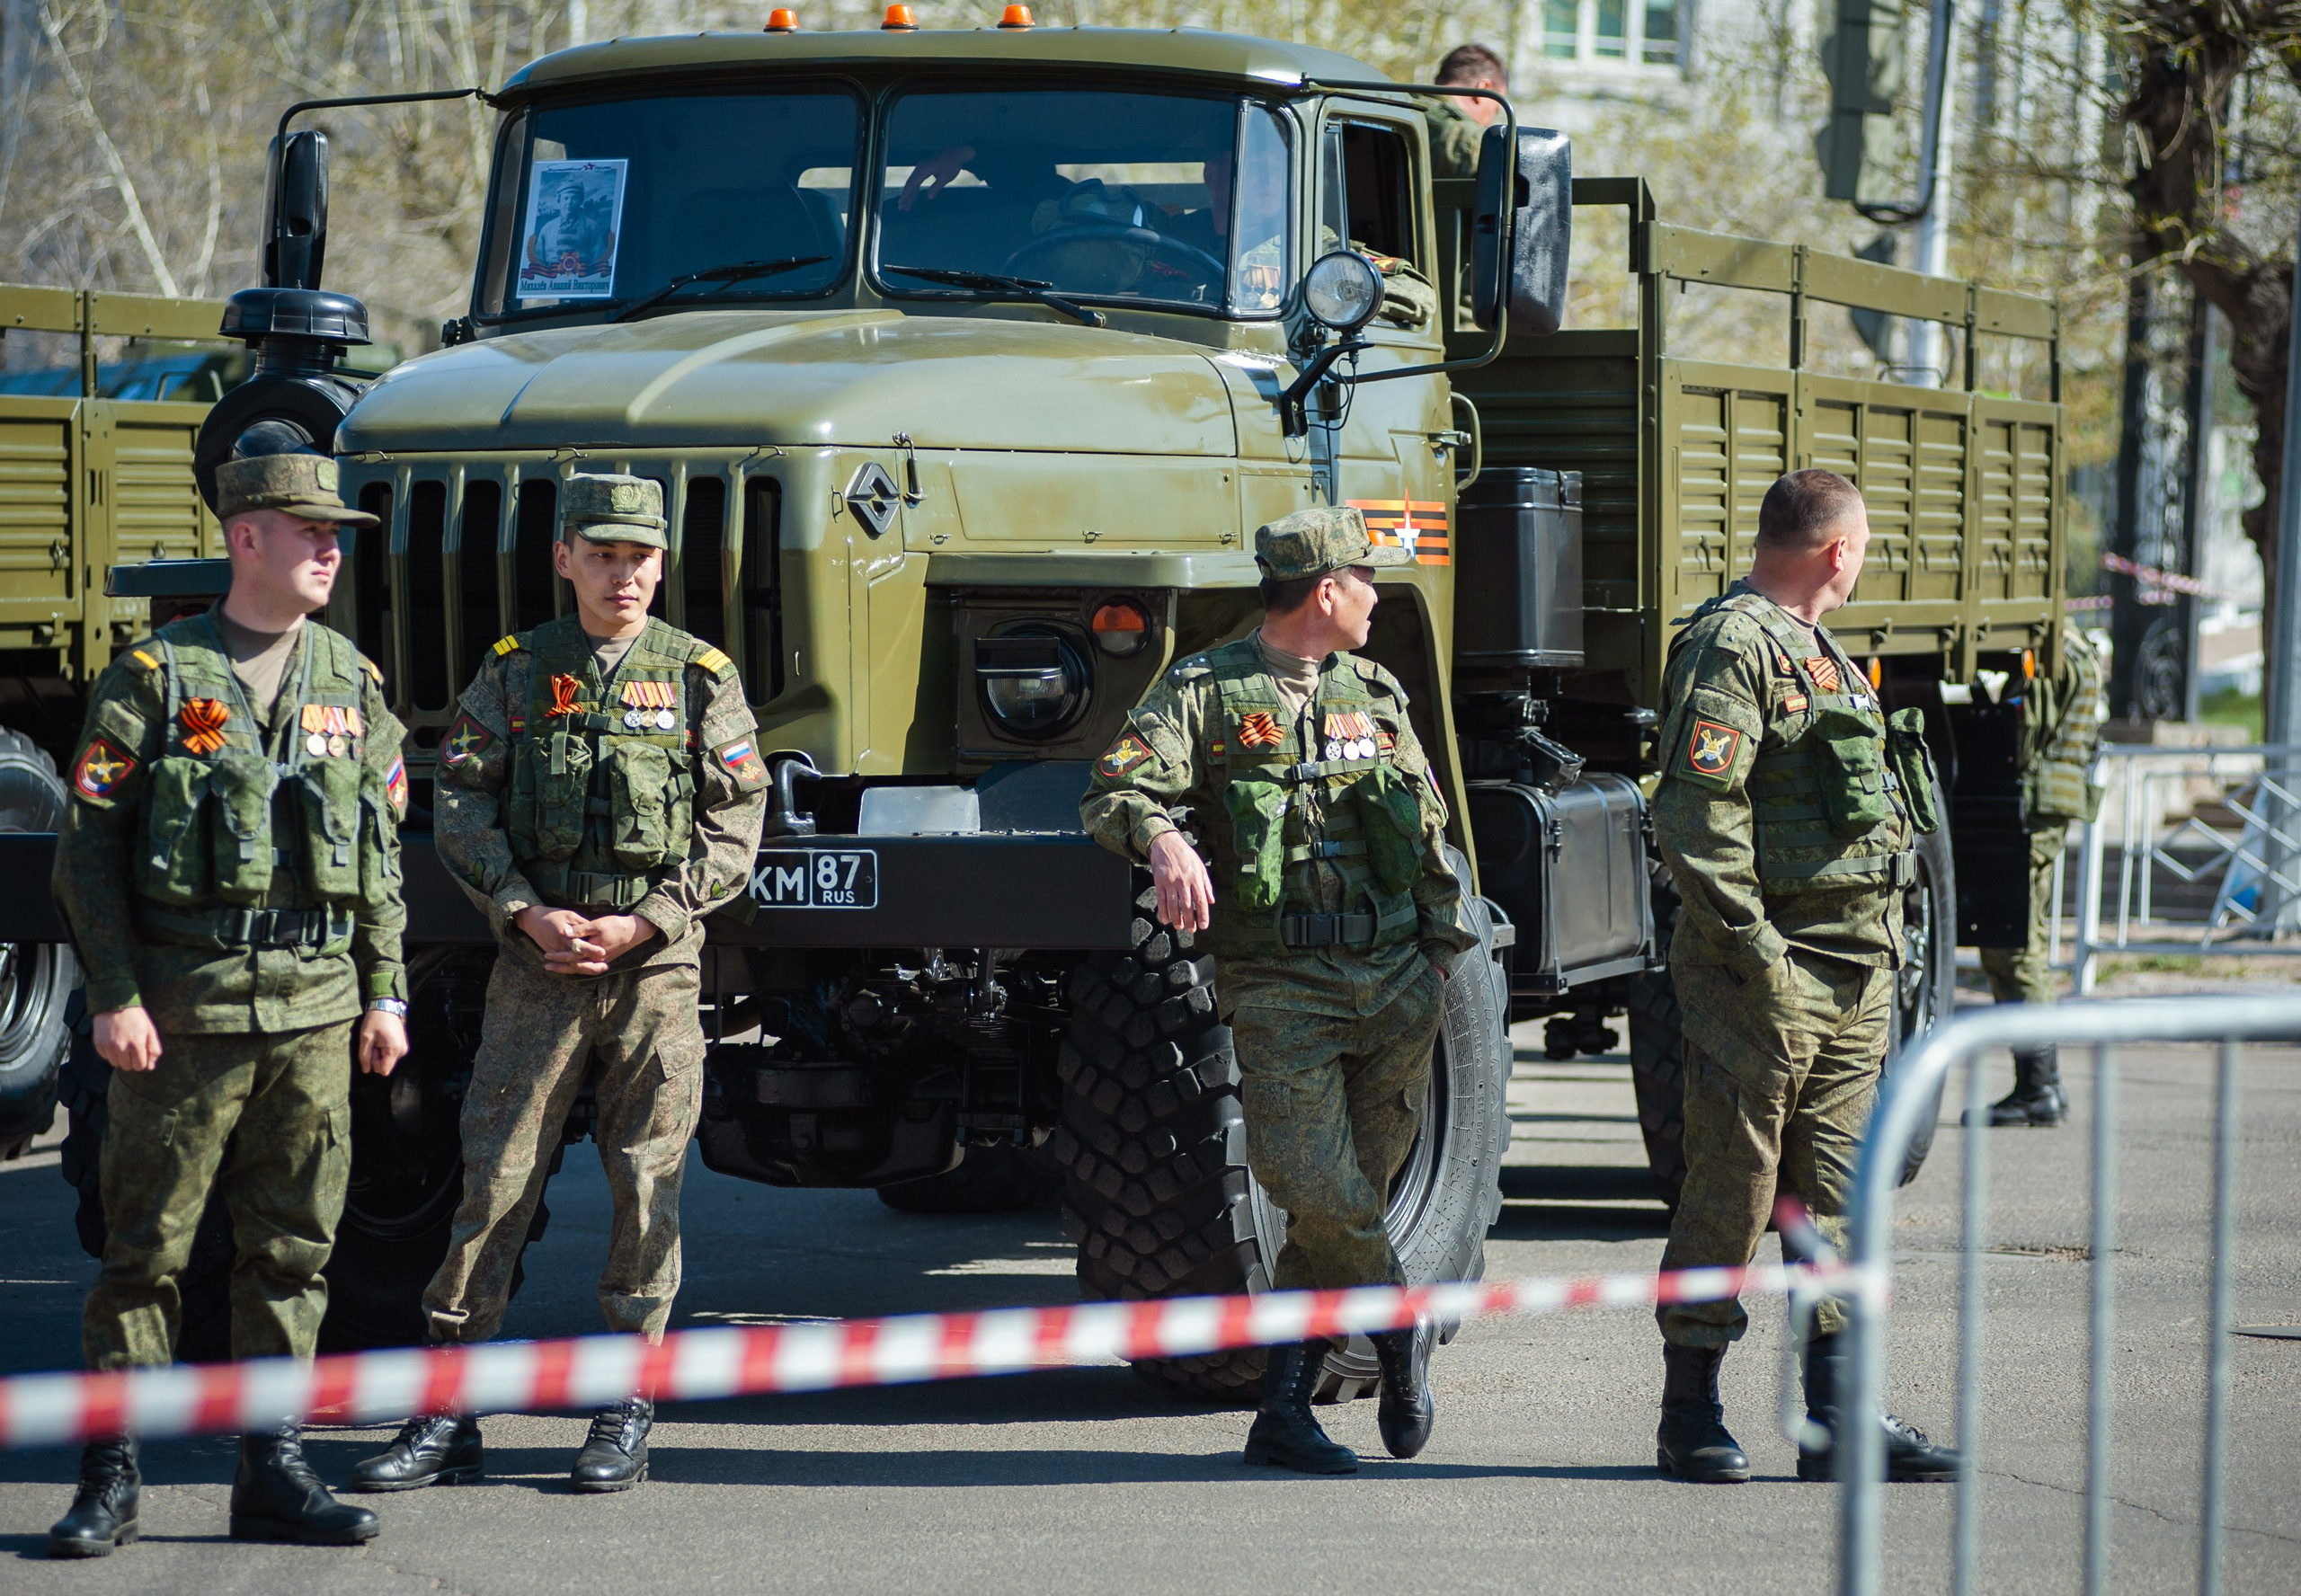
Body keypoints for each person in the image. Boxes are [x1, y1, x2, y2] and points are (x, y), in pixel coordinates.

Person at [349, 474, 767, 1496]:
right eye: (603, 554)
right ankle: (446, 1412)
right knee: (493, 1182)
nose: (623, 575)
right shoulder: (516, 671)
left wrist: (646, 922)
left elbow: (737, 822)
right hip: (535, 966)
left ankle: (626, 1405)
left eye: (640, 558)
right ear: (564, 558)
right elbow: (460, 799)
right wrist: (523, 911)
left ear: (663, 565)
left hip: (654, 972)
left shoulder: (702, 677)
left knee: (646, 1184)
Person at [47, 452, 411, 1557]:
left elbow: (382, 857)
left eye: (335, 533)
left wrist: (386, 991)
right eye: (309, 531)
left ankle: (276, 1469)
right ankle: (111, 1478)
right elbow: (87, 854)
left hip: (314, 1014)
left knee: (294, 1250)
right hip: (183, 1018)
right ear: (246, 537)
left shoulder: (352, 682)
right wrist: (112, 995)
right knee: (146, 1254)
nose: (330, 549)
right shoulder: (155, 678)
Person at [1080, 505, 1475, 1475]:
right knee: (1319, 1189)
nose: (1380, 598)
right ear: (1327, 588)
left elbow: (1428, 836)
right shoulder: (1207, 690)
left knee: (1334, 1211)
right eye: (1368, 581)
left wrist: (1440, 955)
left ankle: (1283, 1412)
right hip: (1282, 986)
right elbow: (1112, 791)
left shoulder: (1375, 691)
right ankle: (1396, 1333)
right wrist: (1164, 837)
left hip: (1393, 985)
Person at [1648, 468, 1959, 1485]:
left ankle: (1837, 1420)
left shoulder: (1819, 651)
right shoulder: (1730, 644)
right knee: (1730, 1195)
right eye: (1863, 547)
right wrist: (1757, 955)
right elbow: (1696, 816)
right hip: (1765, 977)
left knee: (1836, 1200)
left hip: (1853, 972)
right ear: (1839, 551)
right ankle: (1688, 1413)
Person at [1967, 629, 2104, 1127]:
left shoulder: (2055, 652)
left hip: (2037, 801)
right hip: (2052, 799)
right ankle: (2041, 1087)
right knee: (2024, 937)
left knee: (2015, 944)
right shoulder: (2078, 647)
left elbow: (2028, 731)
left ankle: (2039, 1087)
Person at [1426, 43, 1510, 179]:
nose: (1490, 121)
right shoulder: (1473, 140)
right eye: (1495, 110)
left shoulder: (1396, 105)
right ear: (1483, 89)